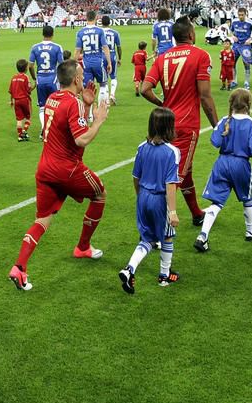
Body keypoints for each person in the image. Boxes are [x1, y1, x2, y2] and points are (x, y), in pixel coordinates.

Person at [9, 60, 109, 291]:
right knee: (100, 194)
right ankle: (83, 247)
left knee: (42, 220)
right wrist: (99, 119)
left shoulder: (54, 98)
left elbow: (67, 124)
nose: (83, 79)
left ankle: (19, 268)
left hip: (45, 170)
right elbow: (81, 138)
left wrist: (85, 104)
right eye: (81, 75)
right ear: (75, 79)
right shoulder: (72, 103)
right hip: (68, 169)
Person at [141, 17, 219, 224]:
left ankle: (196, 213)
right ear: (192, 35)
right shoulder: (201, 56)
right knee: (175, 177)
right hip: (185, 124)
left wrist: (163, 104)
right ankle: (156, 225)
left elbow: (144, 89)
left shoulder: (162, 57)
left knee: (185, 170)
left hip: (166, 123)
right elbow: (204, 96)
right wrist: (217, 126)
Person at [193, 88, 252, 252]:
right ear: (248, 104)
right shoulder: (251, 123)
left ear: (231, 104)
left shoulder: (223, 121)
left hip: (222, 164)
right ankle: (251, 232)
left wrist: (224, 133)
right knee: (247, 199)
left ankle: (203, 236)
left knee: (216, 202)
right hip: (241, 165)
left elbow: (214, 142)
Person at [118, 107, 181, 295]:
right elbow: (170, 185)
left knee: (148, 238)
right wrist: (172, 212)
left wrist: (140, 197)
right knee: (167, 236)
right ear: (169, 127)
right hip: (159, 200)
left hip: (143, 196)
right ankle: (164, 276)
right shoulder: (172, 152)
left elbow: (135, 177)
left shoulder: (141, 147)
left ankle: (129, 269)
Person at [28, 25, 66, 132]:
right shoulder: (57, 47)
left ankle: (44, 128)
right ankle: (55, 129)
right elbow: (62, 65)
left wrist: (34, 77)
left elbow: (30, 65)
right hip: (53, 79)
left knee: (42, 106)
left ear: (42, 34)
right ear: (52, 34)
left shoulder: (35, 47)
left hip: (40, 79)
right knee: (56, 105)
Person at [73, 11, 112, 106]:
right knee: (103, 84)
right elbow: (105, 47)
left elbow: (78, 50)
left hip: (86, 63)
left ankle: (89, 115)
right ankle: (100, 108)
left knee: (87, 89)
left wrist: (74, 64)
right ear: (96, 18)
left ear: (86, 18)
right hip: (98, 62)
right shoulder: (99, 31)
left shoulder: (80, 32)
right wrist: (109, 62)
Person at [230, 7, 252, 89]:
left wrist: (250, 39)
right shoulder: (234, 21)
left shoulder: (250, 22)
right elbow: (230, 30)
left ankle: (246, 82)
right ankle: (234, 81)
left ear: (246, 14)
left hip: (245, 45)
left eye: (242, 15)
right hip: (236, 45)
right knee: (232, 62)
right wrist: (233, 36)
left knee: (246, 63)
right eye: (239, 15)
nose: (241, 16)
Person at [9, 58, 34, 141]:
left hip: (16, 101)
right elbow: (29, 90)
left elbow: (11, 91)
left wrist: (11, 101)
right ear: (26, 68)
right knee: (28, 117)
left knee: (19, 119)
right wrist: (35, 86)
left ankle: (20, 136)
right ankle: (24, 132)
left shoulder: (13, 78)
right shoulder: (26, 77)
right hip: (25, 100)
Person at [101, 16, 123, 104]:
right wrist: (120, 58)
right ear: (109, 22)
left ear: (101, 23)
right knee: (113, 76)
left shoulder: (99, 32)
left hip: (102, 55)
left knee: (104, 78)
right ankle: (112, 95)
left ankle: (106, 99)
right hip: (112, 55)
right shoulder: (115, 33)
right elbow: (119, 47)